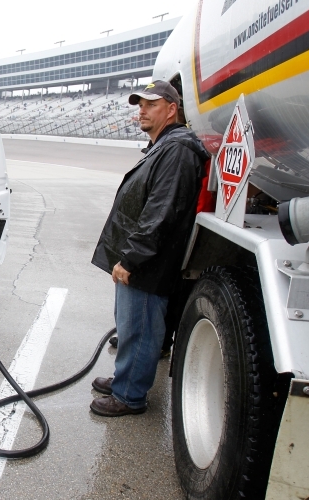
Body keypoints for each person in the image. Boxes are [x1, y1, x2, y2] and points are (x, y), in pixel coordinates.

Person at [89, 81, 210, 416]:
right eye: (139, 104)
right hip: (144, 258)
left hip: (149, 262)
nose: (141, 110)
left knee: (140, 328)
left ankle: (129, 396)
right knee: (129, 326)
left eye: (151, 104)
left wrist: (132, 258)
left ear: (172, 109)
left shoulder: (178, 148)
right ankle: (124, 379)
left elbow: (162, 210)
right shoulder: (165, 145)